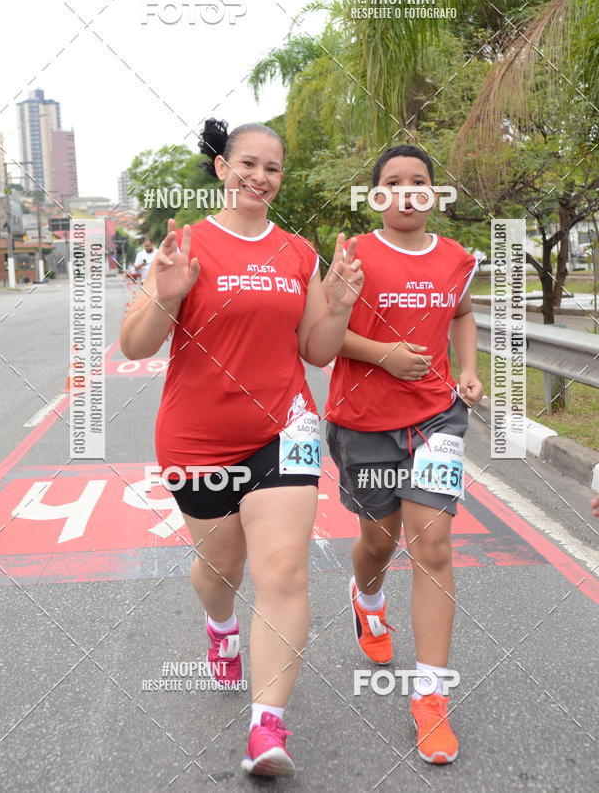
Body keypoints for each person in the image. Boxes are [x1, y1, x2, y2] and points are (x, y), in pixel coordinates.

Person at [119, 118, 363, 778]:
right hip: (197, 437)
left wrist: (340, 304)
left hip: (285, 430)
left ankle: (267, 726)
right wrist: (165, 297)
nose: (260, 176)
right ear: (222, 168)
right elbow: (135, 344)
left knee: (282, 571)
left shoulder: (296, 252)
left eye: (272, 168)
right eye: (248, 163)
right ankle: (220, 626)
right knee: (221, 569)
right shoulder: (187, 245)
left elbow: (316, 350)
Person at [323, 144, 483, 765]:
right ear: (376, 196)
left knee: (433, 546)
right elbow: (322, 338)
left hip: (437, 418)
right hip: (364, 423)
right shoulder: (354, 255)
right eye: (393, 182)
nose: (407, 192)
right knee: (378, 542)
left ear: (434, 193)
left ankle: (431, 696)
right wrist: (383, 355)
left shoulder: (455, 258)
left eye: (419, 181)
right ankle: (367, 601)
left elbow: (462, 313)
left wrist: (467, 370)